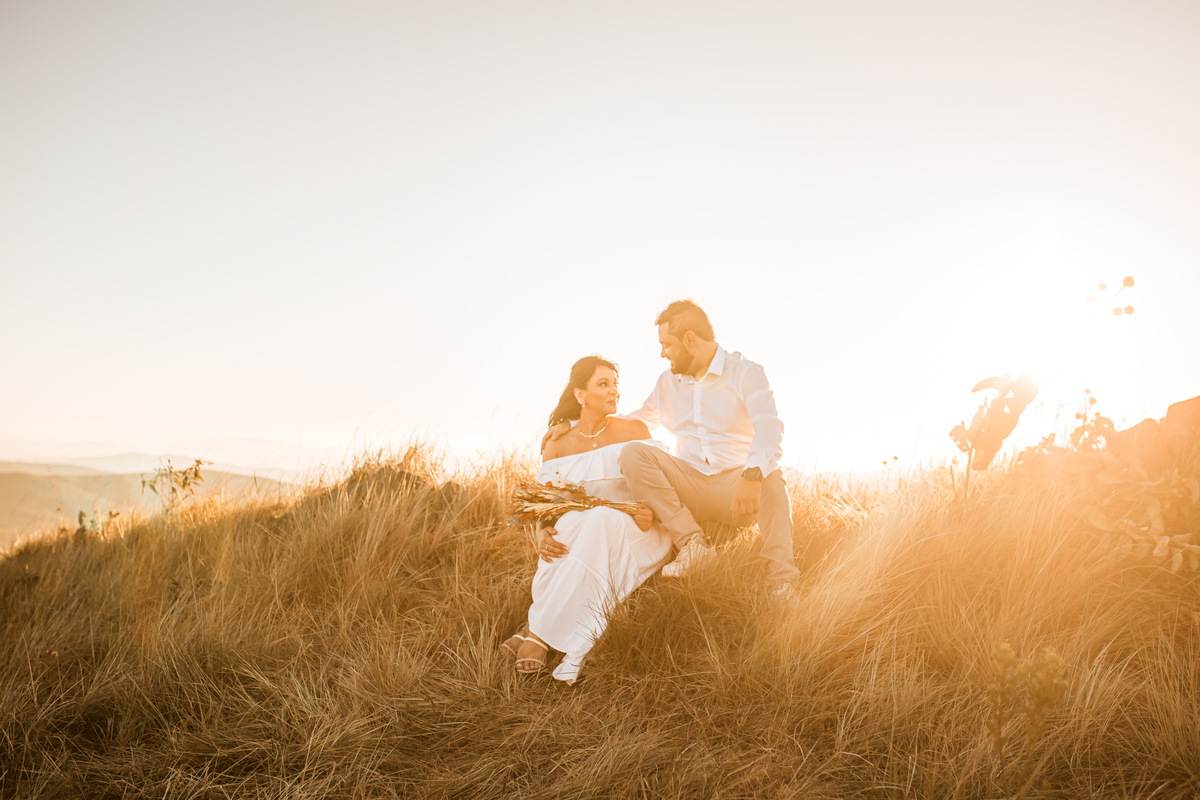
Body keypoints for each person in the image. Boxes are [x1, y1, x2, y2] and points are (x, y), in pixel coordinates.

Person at [545, 299, 799, 591]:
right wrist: (573, 424)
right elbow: (635, 421)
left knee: (773, 479)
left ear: (690, 340)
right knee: (633, 453)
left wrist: (751, 474)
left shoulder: (745, 372)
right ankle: (693, 544)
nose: (662, 353)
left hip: (735, 487)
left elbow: (769, 424)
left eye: (667, 345)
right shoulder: (667, 382)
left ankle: (781, 582)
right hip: (688, 484)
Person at [507, 355, 674, 683]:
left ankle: (536, 632)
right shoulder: (558, 443)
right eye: (603, 384)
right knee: (570, 526)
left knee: (599, 519)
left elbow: (661, 481)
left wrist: (652, 511)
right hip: (584, 531)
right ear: (580, 394)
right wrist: (541, 533)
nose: (614, 391)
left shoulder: (635, 430)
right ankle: (542, 626)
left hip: (637, 531)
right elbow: (547, 503)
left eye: (615, 384)